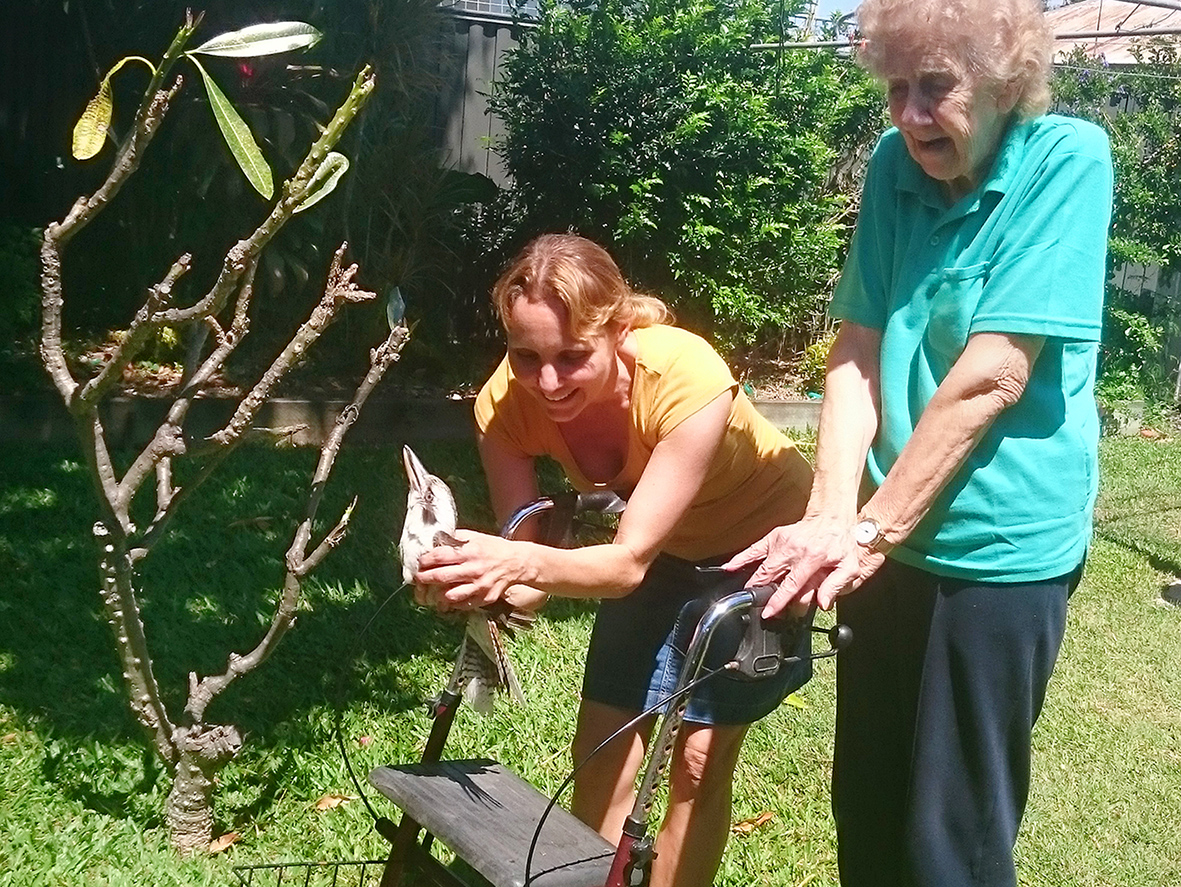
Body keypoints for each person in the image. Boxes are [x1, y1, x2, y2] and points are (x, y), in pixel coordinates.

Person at [725, 1, 1114, 885]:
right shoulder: (893, 168)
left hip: (995, 551)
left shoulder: (1066, 160)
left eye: (935, 87)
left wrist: (866, 532)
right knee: (865, 802)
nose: (908, 115)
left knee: (953, 837)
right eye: (895, 88)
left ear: (1006, 83)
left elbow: (993, 375)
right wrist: (832, 514)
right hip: (881, 538)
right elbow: (856, 349)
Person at [412, 233, 814, 887]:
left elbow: (623, 563)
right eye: (525, 355)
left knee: (697, 760)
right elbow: (532, 576)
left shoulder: (685, 375)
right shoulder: (504, 407)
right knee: (601, 753)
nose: (546, 381)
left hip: (761, 549)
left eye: (571, 356)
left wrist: (509, 561)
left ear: (620, 329)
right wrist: (466, 580)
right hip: (659, 545)